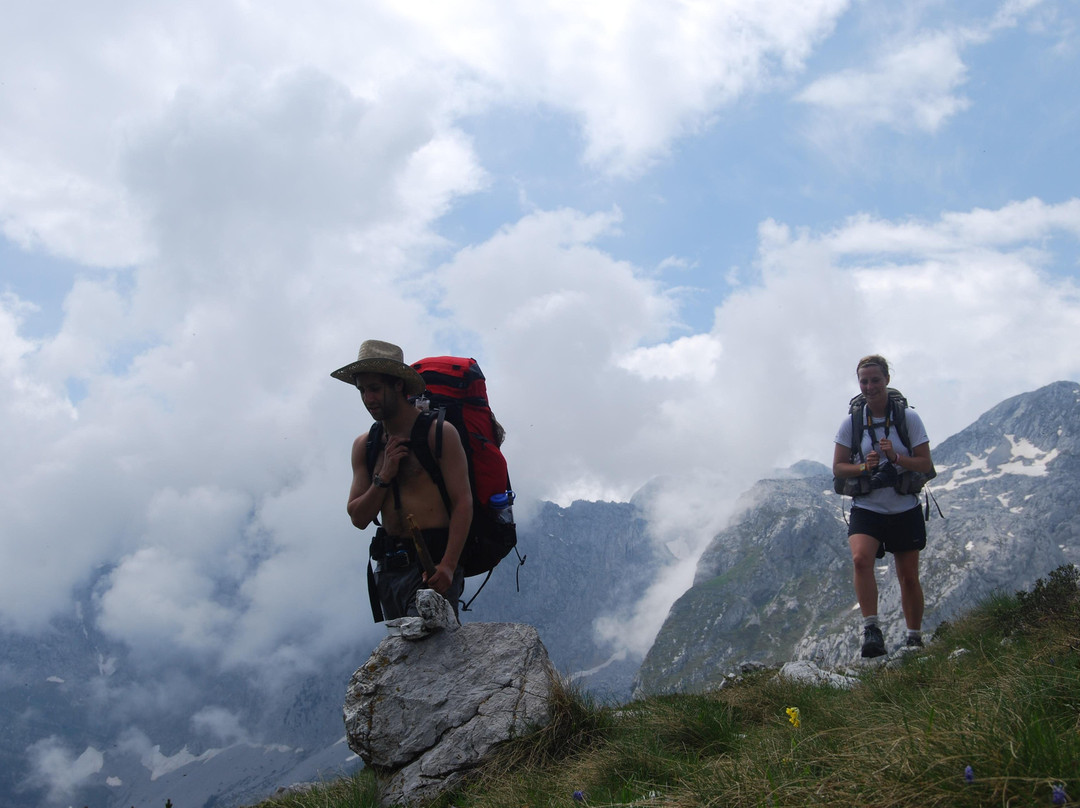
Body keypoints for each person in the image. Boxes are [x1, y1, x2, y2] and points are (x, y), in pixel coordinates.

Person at [332, 340, 472, 621]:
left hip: (430, 568)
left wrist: (447, 565)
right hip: (387, 571)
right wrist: (384, 475)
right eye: (362, 390)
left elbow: (463, 502)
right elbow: (358, 517)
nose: (368, 398)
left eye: (374, 389)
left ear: (398, 385)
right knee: (407, 655)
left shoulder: (439, 434)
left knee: (429, 656)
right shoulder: (366, 445)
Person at [832, 355, 934, 658]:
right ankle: (871, 629)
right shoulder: (852, 422)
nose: (870, 386)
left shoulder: (909, 419)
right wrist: (865, 468)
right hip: (868, 506)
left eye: (875, 380)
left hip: (903, 506)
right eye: (864, 381)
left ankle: (914, 637)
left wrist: (896, 459)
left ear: (886, 380)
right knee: (861, 560)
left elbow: (925, 463)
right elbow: (838, 468)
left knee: (908, 575)